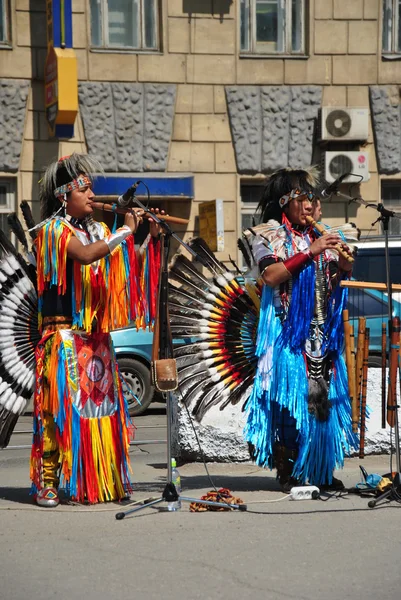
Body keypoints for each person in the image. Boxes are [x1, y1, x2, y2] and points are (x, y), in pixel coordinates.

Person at [30, 153, 161, 507]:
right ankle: (47, 482)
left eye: (91, 189)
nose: (91, 195)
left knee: (101, 411)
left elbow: (121, 267)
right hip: (63, 337)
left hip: (95, 338)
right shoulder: (52, 231)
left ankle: (103, 480)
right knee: (56, 413)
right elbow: (87, 256)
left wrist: (146, 236)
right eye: (83, 189)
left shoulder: (99, 231)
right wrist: (125, 230)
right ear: (64, 196)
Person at [244, 167, 359, 492]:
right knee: (291, 402)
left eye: (313, 198)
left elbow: (330, 284)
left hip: (322, 334)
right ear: (285, 201)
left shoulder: (319, 236)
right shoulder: (266, 234)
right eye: (303, 197)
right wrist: (311, 251)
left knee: (323, 402)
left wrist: (343, 266)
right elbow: (270, 276)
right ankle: (289, 470)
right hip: (286, 335)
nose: (310, 204)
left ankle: (321, 471)